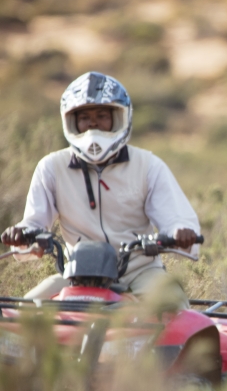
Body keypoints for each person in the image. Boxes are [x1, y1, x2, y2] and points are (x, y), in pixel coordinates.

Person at [1, 71, 201, 302]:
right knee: (24, 313)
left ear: (119, 118)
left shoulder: (148, 165)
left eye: (102, 116)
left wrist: (180, 233)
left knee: (174, 309)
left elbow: (177, 218)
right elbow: (34, 223)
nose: (93, 124)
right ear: (71, 122)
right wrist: (22, 234)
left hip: (140, 273)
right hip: (76, 274)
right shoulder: (51, 167)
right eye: (84, 117)